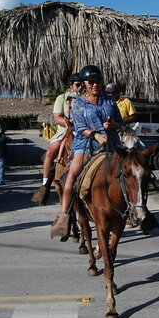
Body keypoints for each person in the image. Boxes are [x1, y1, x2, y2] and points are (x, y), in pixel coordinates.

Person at [53, 65, 123, 239]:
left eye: (98, 81)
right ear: (84, 83)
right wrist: (96, 135)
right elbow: (80, 127)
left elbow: (120, 123)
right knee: (71, 176)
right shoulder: (79, 103)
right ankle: (65, 216)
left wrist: (113, 126)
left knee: (131, 172)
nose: (95, 85)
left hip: (111, 145)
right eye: (91, 82)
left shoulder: (110, 101)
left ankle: (134, 209)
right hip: (85, 145)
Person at [41, 73, 83, 187]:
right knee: (50, 152)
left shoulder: (85, 98)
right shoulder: (61, 98)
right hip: (64, 130)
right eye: (77, 85)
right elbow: (57, 118)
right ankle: (45, 182)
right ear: (71, 85)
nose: (80, 87)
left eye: (82, 85)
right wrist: (68, 123)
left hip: (83, 130)